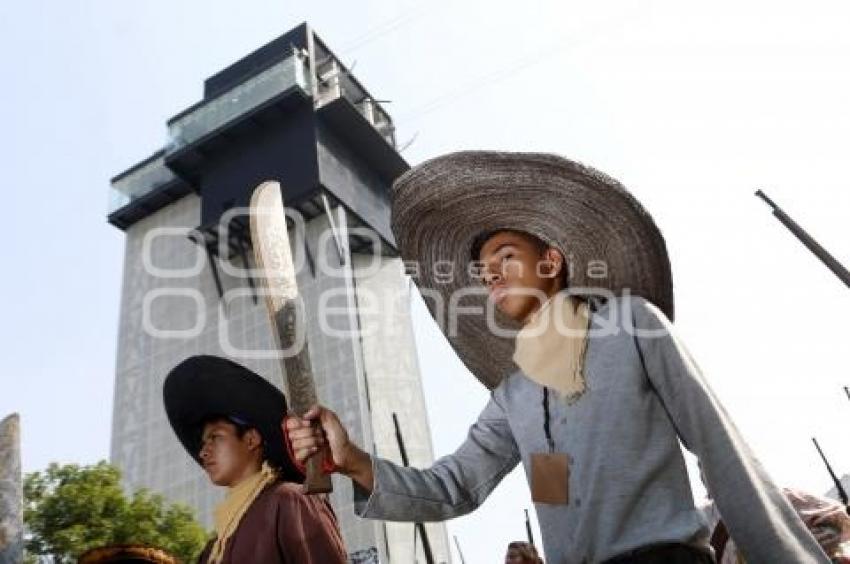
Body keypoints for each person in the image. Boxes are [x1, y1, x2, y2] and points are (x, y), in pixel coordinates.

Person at [285, 151, 828, 562]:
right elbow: (455, 486)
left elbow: (720, 448)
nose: (490, 273)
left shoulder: (632, 325)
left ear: (550, 262)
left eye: (505, 256)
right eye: (483, 270)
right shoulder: (516, 398)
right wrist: (351, 458)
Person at [163, 355, 347, 564]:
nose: (203, 452)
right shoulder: (211, 550)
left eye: (215, 437)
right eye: (203, 444)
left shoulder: (290, 501)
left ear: (251, 439)